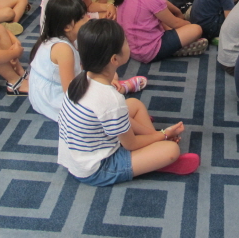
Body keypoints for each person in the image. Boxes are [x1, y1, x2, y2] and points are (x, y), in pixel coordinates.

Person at [57, 19, 201, 187]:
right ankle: (156, 159)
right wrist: (164, 134)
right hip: (98, 168)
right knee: (171, 150)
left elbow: (110, 114)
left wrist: (155, 137)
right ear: (114, 59)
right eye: (125, 41)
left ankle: (152, 149)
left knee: (134, 104)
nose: (129, 43)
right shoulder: (110, 99)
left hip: (78, 157)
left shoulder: (80, 79)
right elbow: (131, 144)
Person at [29, 0, 146, 121]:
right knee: (106, 89)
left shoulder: (61, 38)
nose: (88, 18)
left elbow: (81, 66)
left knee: (109, 75)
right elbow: (70, 92)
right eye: (82, 17)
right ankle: (122, 89)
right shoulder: (63, 49)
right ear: (67, 27)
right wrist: (98, 86)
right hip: (54, 99)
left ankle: (116, 88)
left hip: (44, 93)